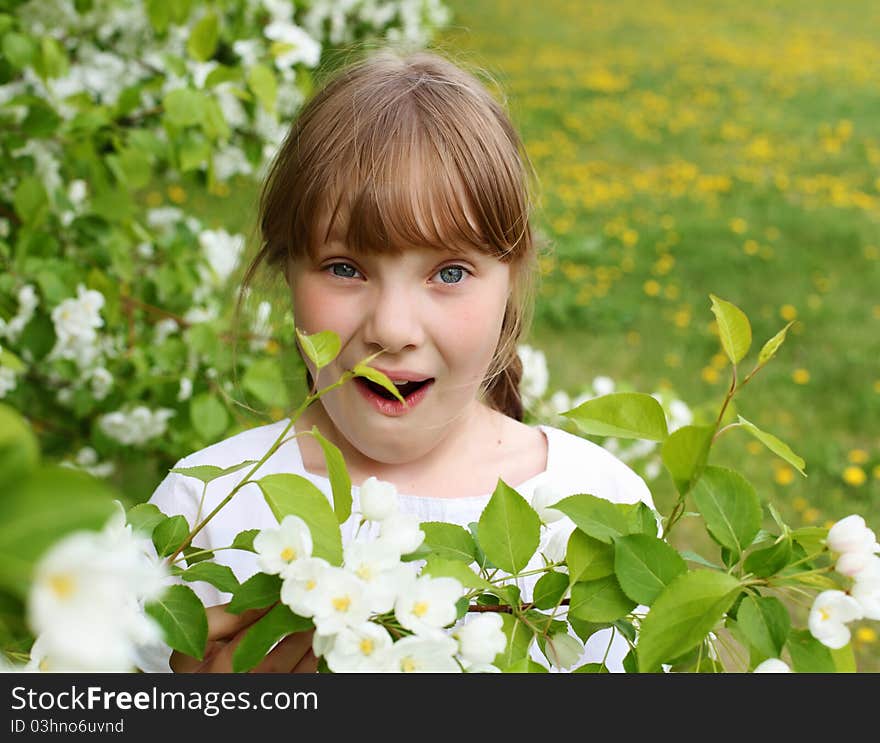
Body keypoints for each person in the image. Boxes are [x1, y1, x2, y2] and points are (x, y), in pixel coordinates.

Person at [135, 47, 656, 673]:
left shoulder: (595, 505)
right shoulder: (204, 513)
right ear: (288, 274)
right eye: (345, 268)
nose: (392, 328)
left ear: (511, 282)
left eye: (450, 272)